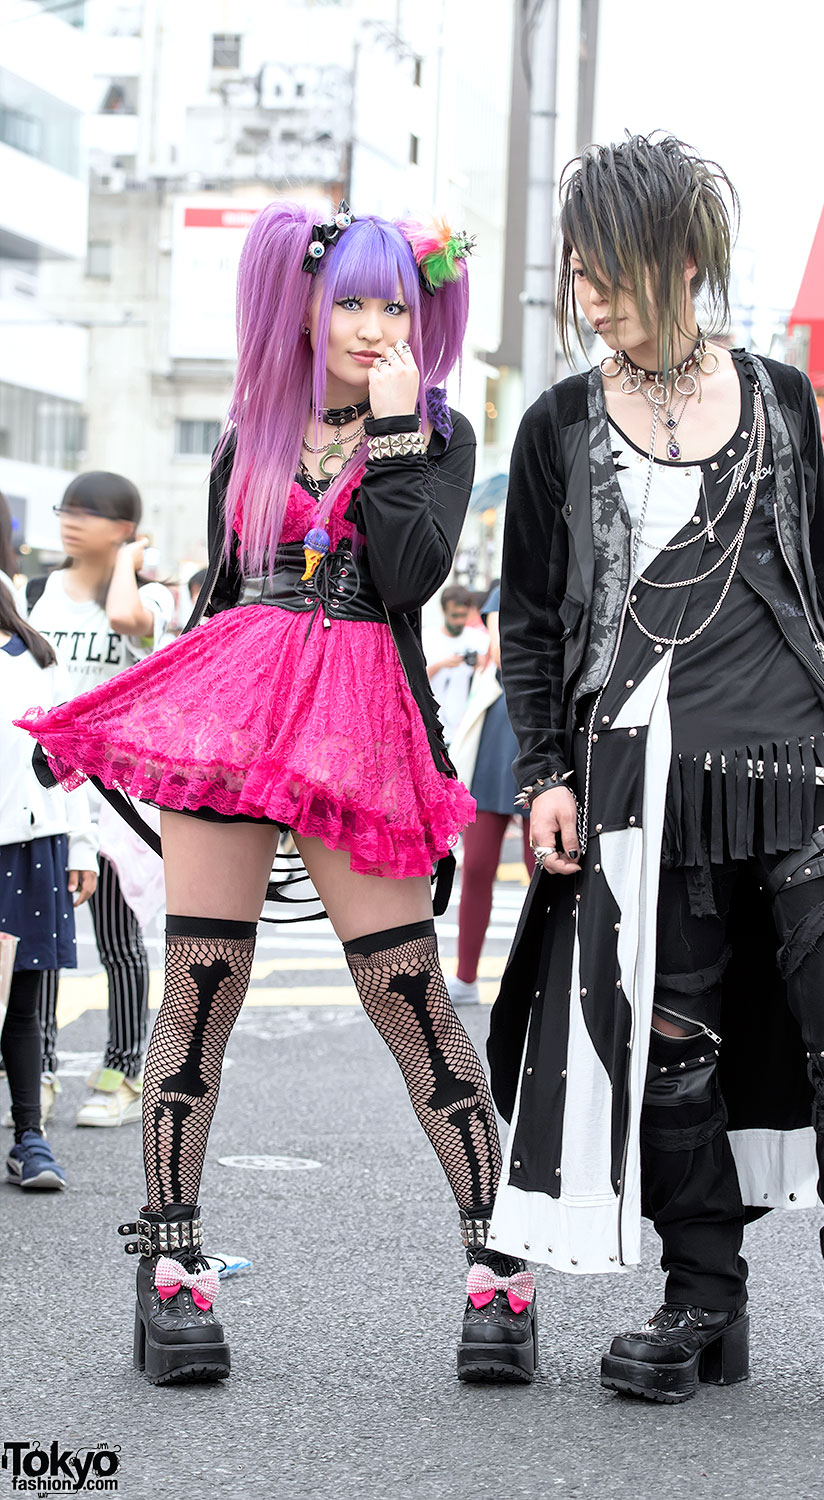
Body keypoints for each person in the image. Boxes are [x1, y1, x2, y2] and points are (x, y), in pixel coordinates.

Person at [486, 133, 824, 1425]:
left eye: (611, 273)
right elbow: (528, 623)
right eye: (579, 275)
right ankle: (703, 1297)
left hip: (803, 767)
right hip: (646, 789)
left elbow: (804, 585)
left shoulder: (782, 400)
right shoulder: (559, 426)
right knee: (676, 1053)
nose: (591, 299)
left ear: (683, 258)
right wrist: (541, 773)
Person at [19, 202, 536, 1387]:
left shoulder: (440, 434)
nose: (371, 326)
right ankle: (171, 1273)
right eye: (350, 301)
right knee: (198, 990)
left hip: (358, 723)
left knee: (409, 997)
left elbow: (406, 578)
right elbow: (214, 610)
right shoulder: (246, 435)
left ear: (423, 316)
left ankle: (498, 1271)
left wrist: (398, 433)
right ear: (305, 306)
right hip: (236, 711)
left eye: (395, 305)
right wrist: (135, 726)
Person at [26, 473, 173, 1128]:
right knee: (46, 941)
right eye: (67, 509)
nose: (70, 522)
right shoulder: (33, 594)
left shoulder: (153, 599)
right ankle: (43, 1067)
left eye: (90, 513)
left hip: (116, 795)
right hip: (48, 789)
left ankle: (122, 1072)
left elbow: (123, 619)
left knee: (116, 941)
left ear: (124, 529)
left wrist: (129, 564)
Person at [1, 579, 98, 1188]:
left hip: (31, 845)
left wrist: (82, 843)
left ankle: (29, 1136)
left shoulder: (37, 657)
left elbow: (64, 760)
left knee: (25, 1003)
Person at [447, 582, 531, 1006]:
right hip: (500, 731)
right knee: (477, 865)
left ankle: (548, 975)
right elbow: (501, 653)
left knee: (545, 872)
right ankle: (465, 977)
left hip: (540, 730)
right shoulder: (504, 588)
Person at [422, 584, 487, 744]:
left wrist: (480, 665)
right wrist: (441, 665)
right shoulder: (427, 638)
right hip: (433, 725)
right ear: (443, 611)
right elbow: (415, 681)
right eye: (454, 615)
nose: (459, 621)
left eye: (463, 615)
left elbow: (488, 682)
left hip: (465, 728)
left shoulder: (479, 639)